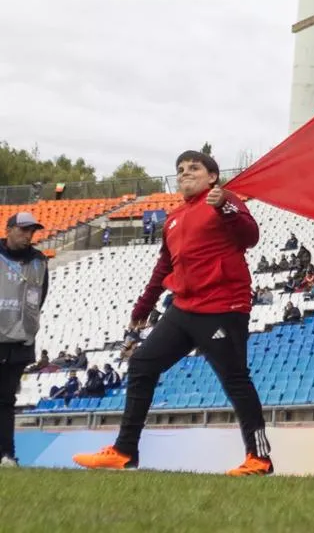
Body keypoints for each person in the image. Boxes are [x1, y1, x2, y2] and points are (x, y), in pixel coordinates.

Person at [73, 151, 273, 476]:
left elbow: (250, 237)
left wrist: (225, 206)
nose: (184, 174)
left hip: (223, 305)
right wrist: (144, 305)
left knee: (236, 379)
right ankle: (124, 451)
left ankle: (259, 458)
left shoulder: (225, 202)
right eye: (180, 170)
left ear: (212, 177)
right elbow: (164, 265)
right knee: (141, 363)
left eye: (193, 168)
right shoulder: (175, 217)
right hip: (183, 307)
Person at [0, 212, 49, 467]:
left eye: (32, 231)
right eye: (23, 230)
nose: (28, 235)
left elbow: (40, 297)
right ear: (9, 230)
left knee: (7, 400)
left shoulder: (39, 261)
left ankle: (6, 455)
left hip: (20, 342)